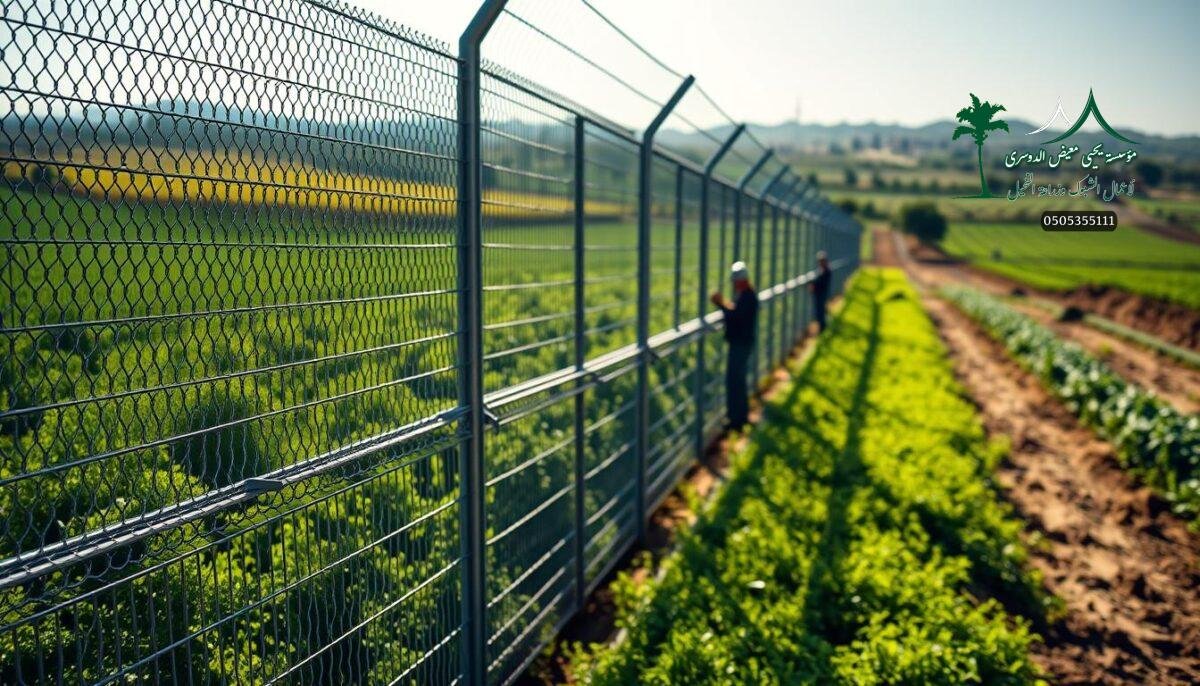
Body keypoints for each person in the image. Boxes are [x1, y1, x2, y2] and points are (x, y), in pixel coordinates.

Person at [710, 261, 758, 430]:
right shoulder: (747, 295)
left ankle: (737, 420)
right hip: (741, 343)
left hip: (740, 344)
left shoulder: (747, 297)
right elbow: (736, 312)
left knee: (735, 381)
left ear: (740, 280)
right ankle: (739, 416)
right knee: (737, 380)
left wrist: (720, 303)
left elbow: (736, 316)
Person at [809, 250, 832, 332]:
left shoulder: (826, 271)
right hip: (820, 294)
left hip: (821, 294)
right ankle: (823, 327)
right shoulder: (823, 270)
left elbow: (821, 282)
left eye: (821, 261)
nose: (820, 263)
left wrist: (813, 285)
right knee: (821, 311)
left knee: (820, 311)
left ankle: (823, 328)